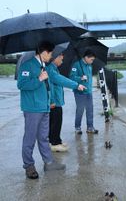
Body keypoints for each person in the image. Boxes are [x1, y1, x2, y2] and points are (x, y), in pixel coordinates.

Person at [17, 41, 65, 179]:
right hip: (32, 108)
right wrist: (38, 78)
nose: (51, 56)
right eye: (50, 53)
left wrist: (49, 102)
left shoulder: (44, 65)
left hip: (44, 107)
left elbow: (47, 87)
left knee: (44, 137)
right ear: (44, 52)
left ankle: (49, 163)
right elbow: (21, 84)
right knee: (30, 138)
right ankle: (29, 166)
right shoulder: (27, 65)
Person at [47, 50, 86, 152]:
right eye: (61, 58)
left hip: (56, 100)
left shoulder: (53, 68)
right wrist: (76, 85)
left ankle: (57, 141)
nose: (62, 61)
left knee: (56, 122)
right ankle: (54, 143)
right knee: (55, 122)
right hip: (54, 102)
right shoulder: (50, 69)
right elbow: (61, 80)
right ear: (55, 57)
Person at [70, 50, 98, 134]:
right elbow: (71, 77)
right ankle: (77, 128)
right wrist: (80, 78)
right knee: (80, 110)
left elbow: (89, 79)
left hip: (88, 91)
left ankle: (90, 127)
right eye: (91, 59)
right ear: (86, 57)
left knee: (90, 110)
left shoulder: (89, 66)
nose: (92, 61)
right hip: (79, 92)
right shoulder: (76, 65)